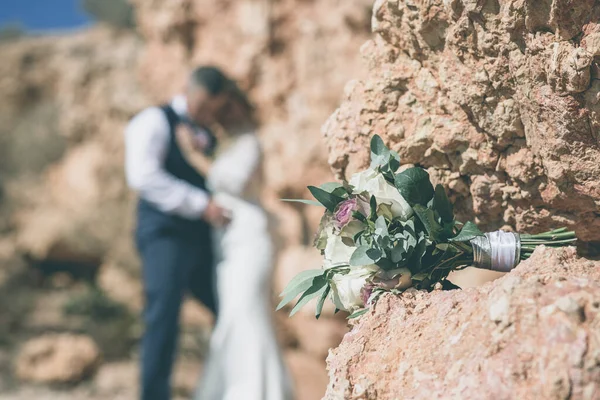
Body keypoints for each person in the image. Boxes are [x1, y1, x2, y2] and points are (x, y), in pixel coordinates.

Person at [175, 83, 294, 400]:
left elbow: (235, 181)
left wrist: (193, 157)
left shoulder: (249, 143)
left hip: (250, 239)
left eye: (228, 109)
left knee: (247, 313)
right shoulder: (225, 146)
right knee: (234, 315)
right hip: (227, 245)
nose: (224, 118)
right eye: (219, 112)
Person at [124, 66, 231, 400]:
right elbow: (143, 177)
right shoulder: (153, 120)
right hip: (164, 236)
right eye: (209, 106)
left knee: (227, 309)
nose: (211, 114)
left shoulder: (208, 135)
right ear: (196, 94)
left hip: (200, 240)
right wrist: (201, 205)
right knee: (163, 319)